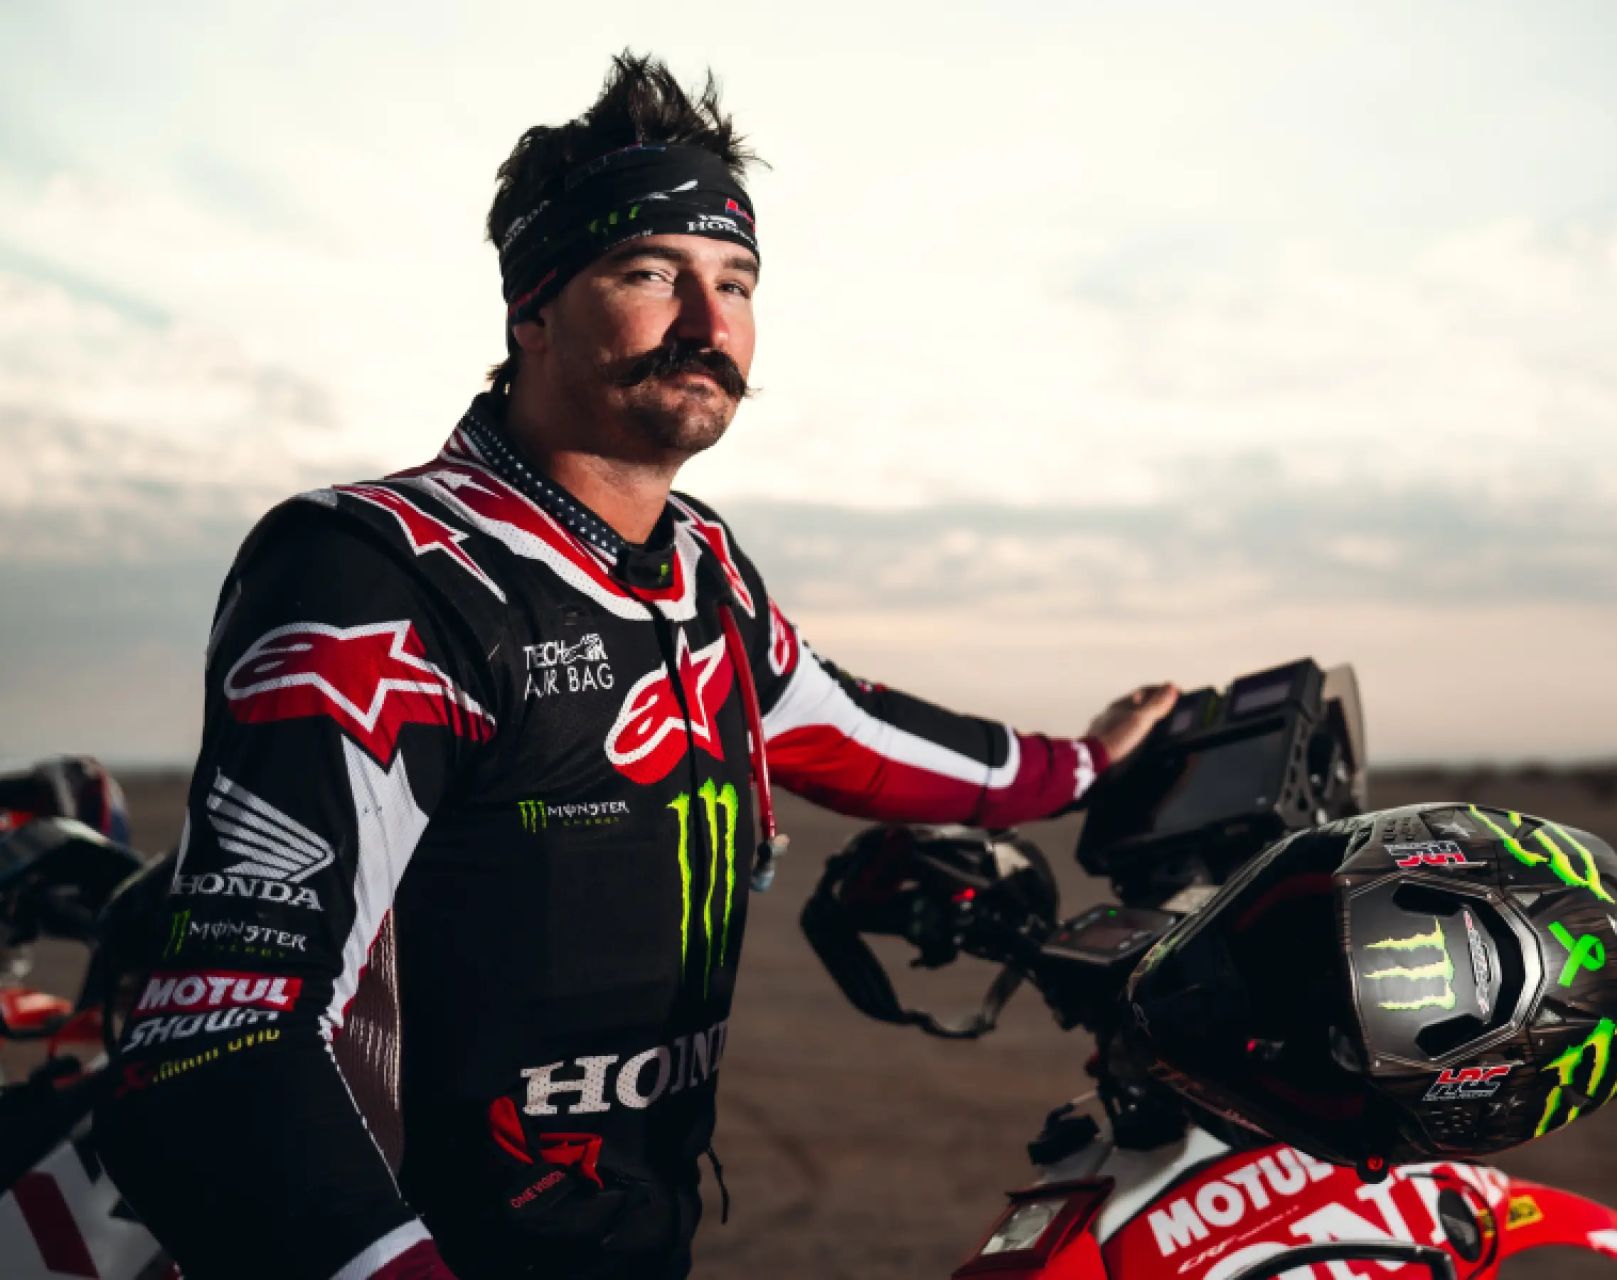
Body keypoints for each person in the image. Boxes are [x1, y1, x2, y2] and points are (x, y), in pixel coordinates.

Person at [95, 52, 1178, 1280]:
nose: (709, 325)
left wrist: (1083, 763)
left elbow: (853, 731)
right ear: (533, 309)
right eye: (653, 273)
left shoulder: (700, 567)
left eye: (736, 282)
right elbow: (218, 1051)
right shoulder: (378, 574)